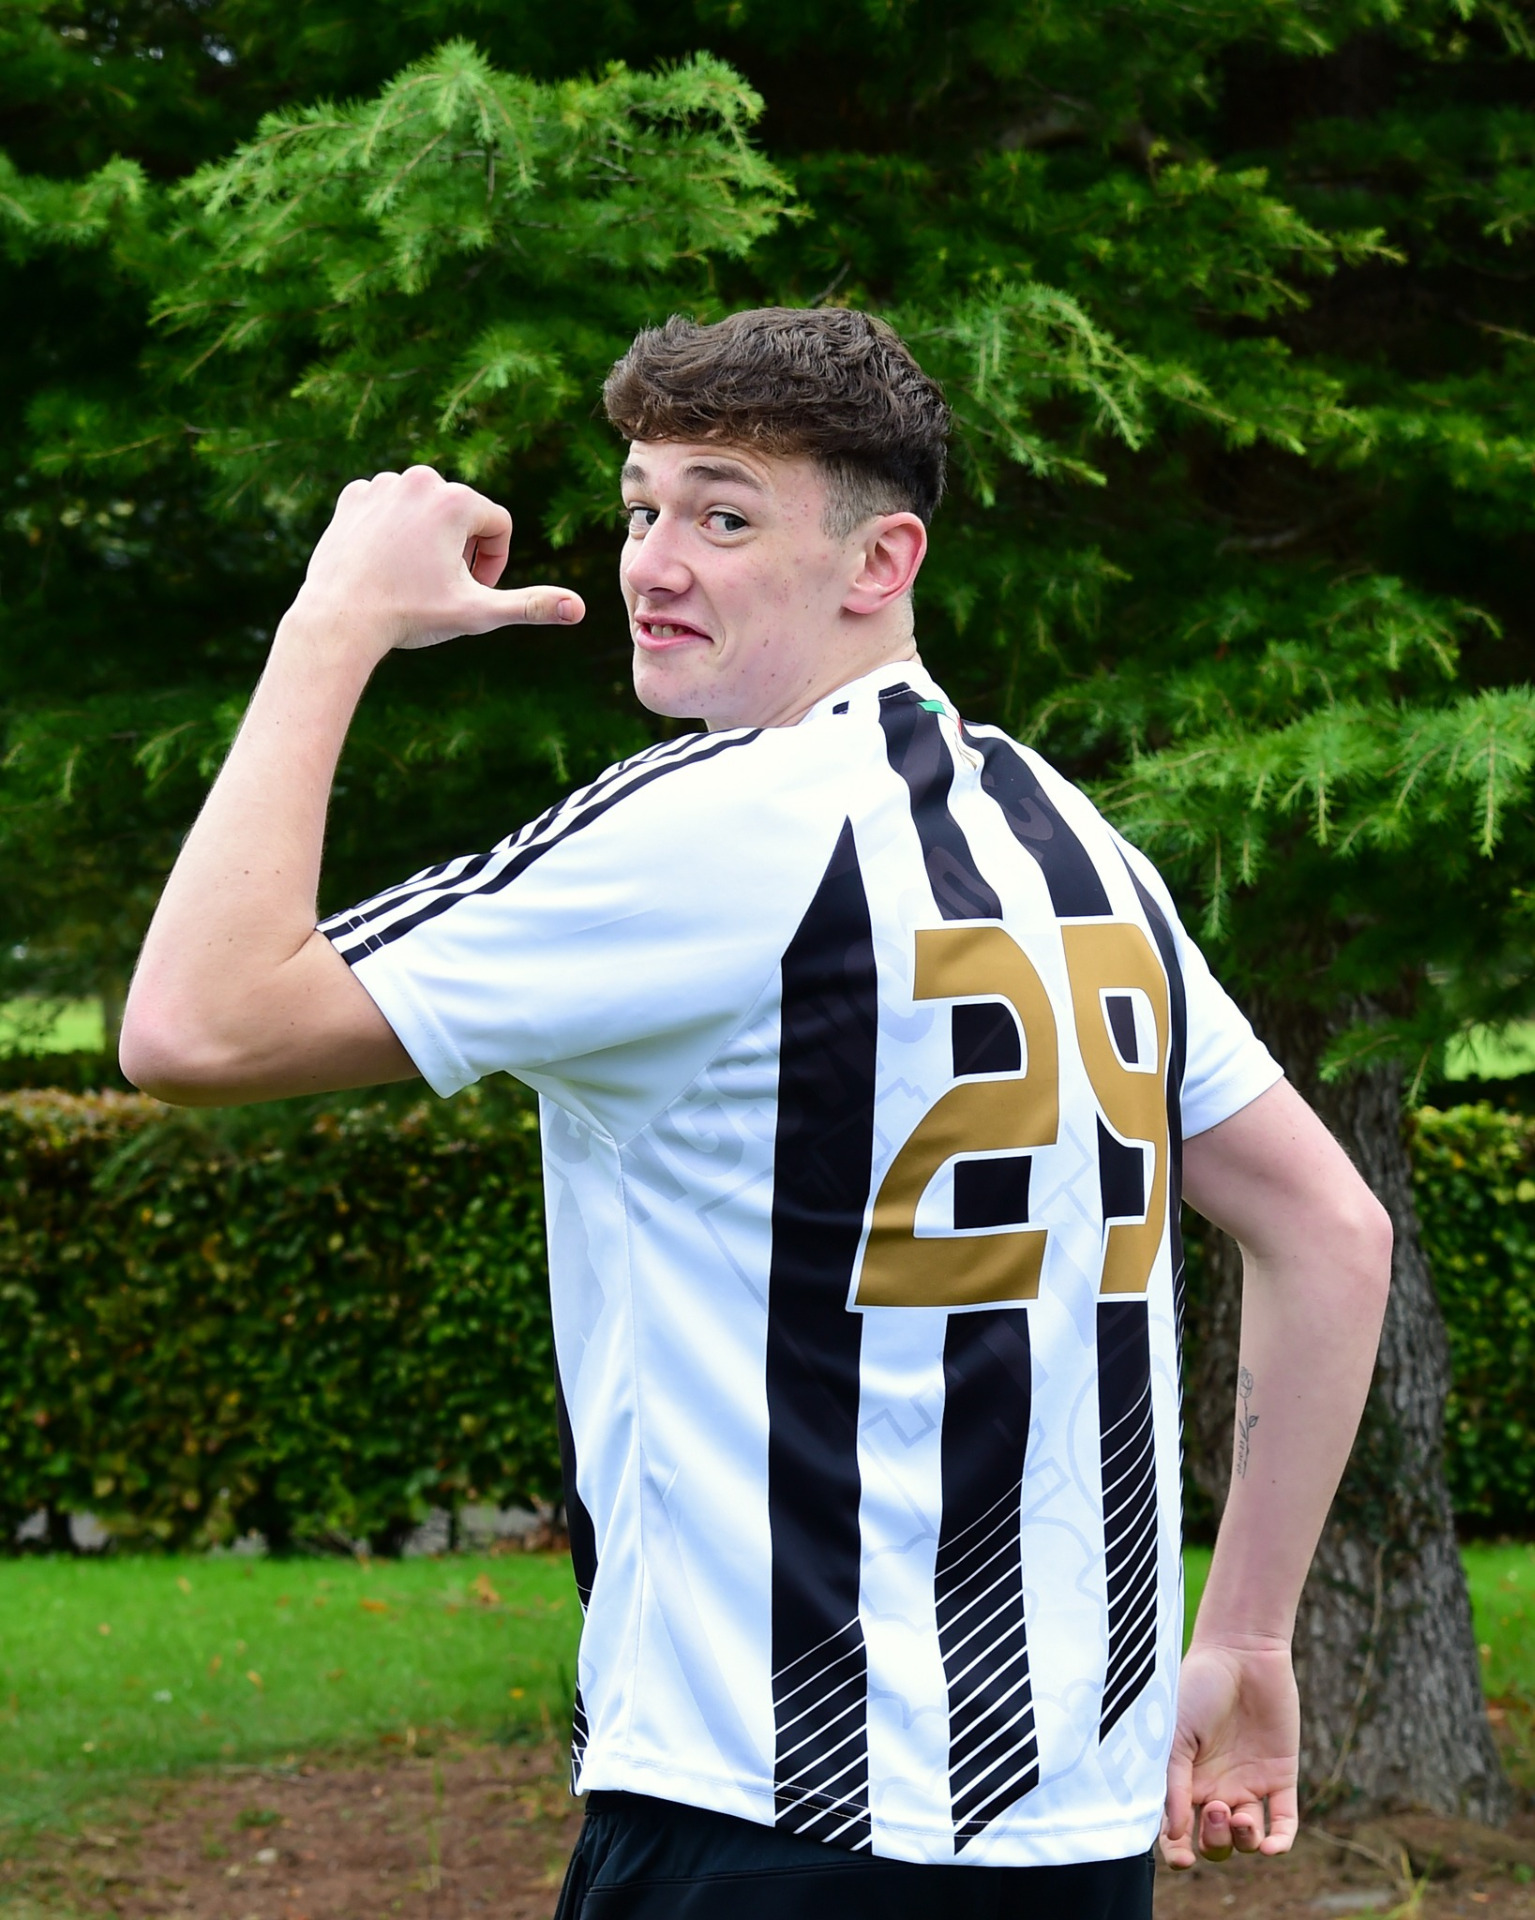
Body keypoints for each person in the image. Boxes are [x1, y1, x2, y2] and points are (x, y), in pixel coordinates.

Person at [120, 307, 1391, 1918]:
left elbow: (195, 1025)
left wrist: (333, 622)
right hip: (1072, 1834)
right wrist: (1250, 1634)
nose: (653, 564)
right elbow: (1330, 1230)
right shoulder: (1072, 840)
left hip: (767, 1816)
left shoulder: (717, 826)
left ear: (880, 561)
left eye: (723, 518)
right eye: (641, 507)